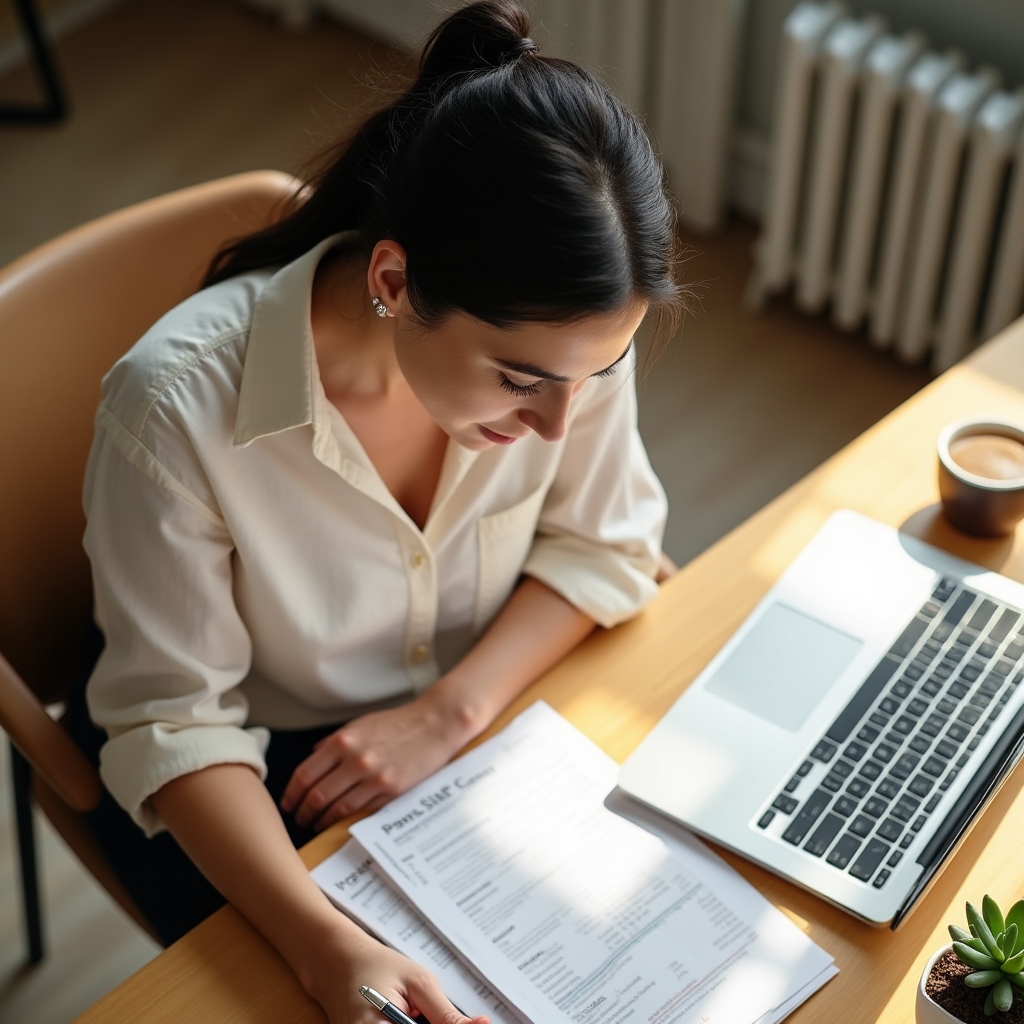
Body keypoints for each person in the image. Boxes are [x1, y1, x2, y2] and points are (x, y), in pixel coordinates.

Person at [73, 1, 685, 1021]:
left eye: (598, 373)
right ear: (395, 280)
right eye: (518, 380)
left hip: (467, 713)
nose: (556, 423)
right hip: (253, 763)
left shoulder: (565, 347)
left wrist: (448, 714)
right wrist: (322, 944)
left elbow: (607, 542)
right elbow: (174, 719)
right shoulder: (175, 407)